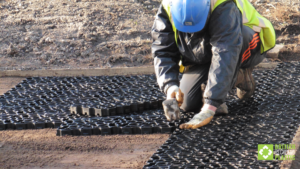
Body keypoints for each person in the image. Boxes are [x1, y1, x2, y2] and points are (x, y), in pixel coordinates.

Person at [151, 0, 276, 129]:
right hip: (206, 52)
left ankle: (241, 75)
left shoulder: (222, 5)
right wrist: (170, 87)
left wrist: (210, 106)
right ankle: (217, 85)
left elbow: (226, 53)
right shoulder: (168, 6)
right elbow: (163, 50)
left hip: (247, 42)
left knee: (234, 48)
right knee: (187, 103)